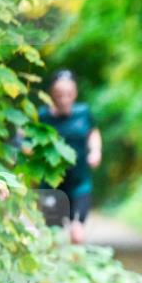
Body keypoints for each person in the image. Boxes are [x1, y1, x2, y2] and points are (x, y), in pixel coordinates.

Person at [38, 70, 102, 244]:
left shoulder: (84, 113)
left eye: (69, 94)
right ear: (51, 94)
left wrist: (95, 151)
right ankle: (55, 262)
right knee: (53, 235)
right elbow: (27, 141)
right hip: (51, 185)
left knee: (77, 233)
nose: (64, 99)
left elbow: (93, 132)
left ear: (75, 94)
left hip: (79, 183)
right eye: (59, 94)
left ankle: (76, 260)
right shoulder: (42, 116)